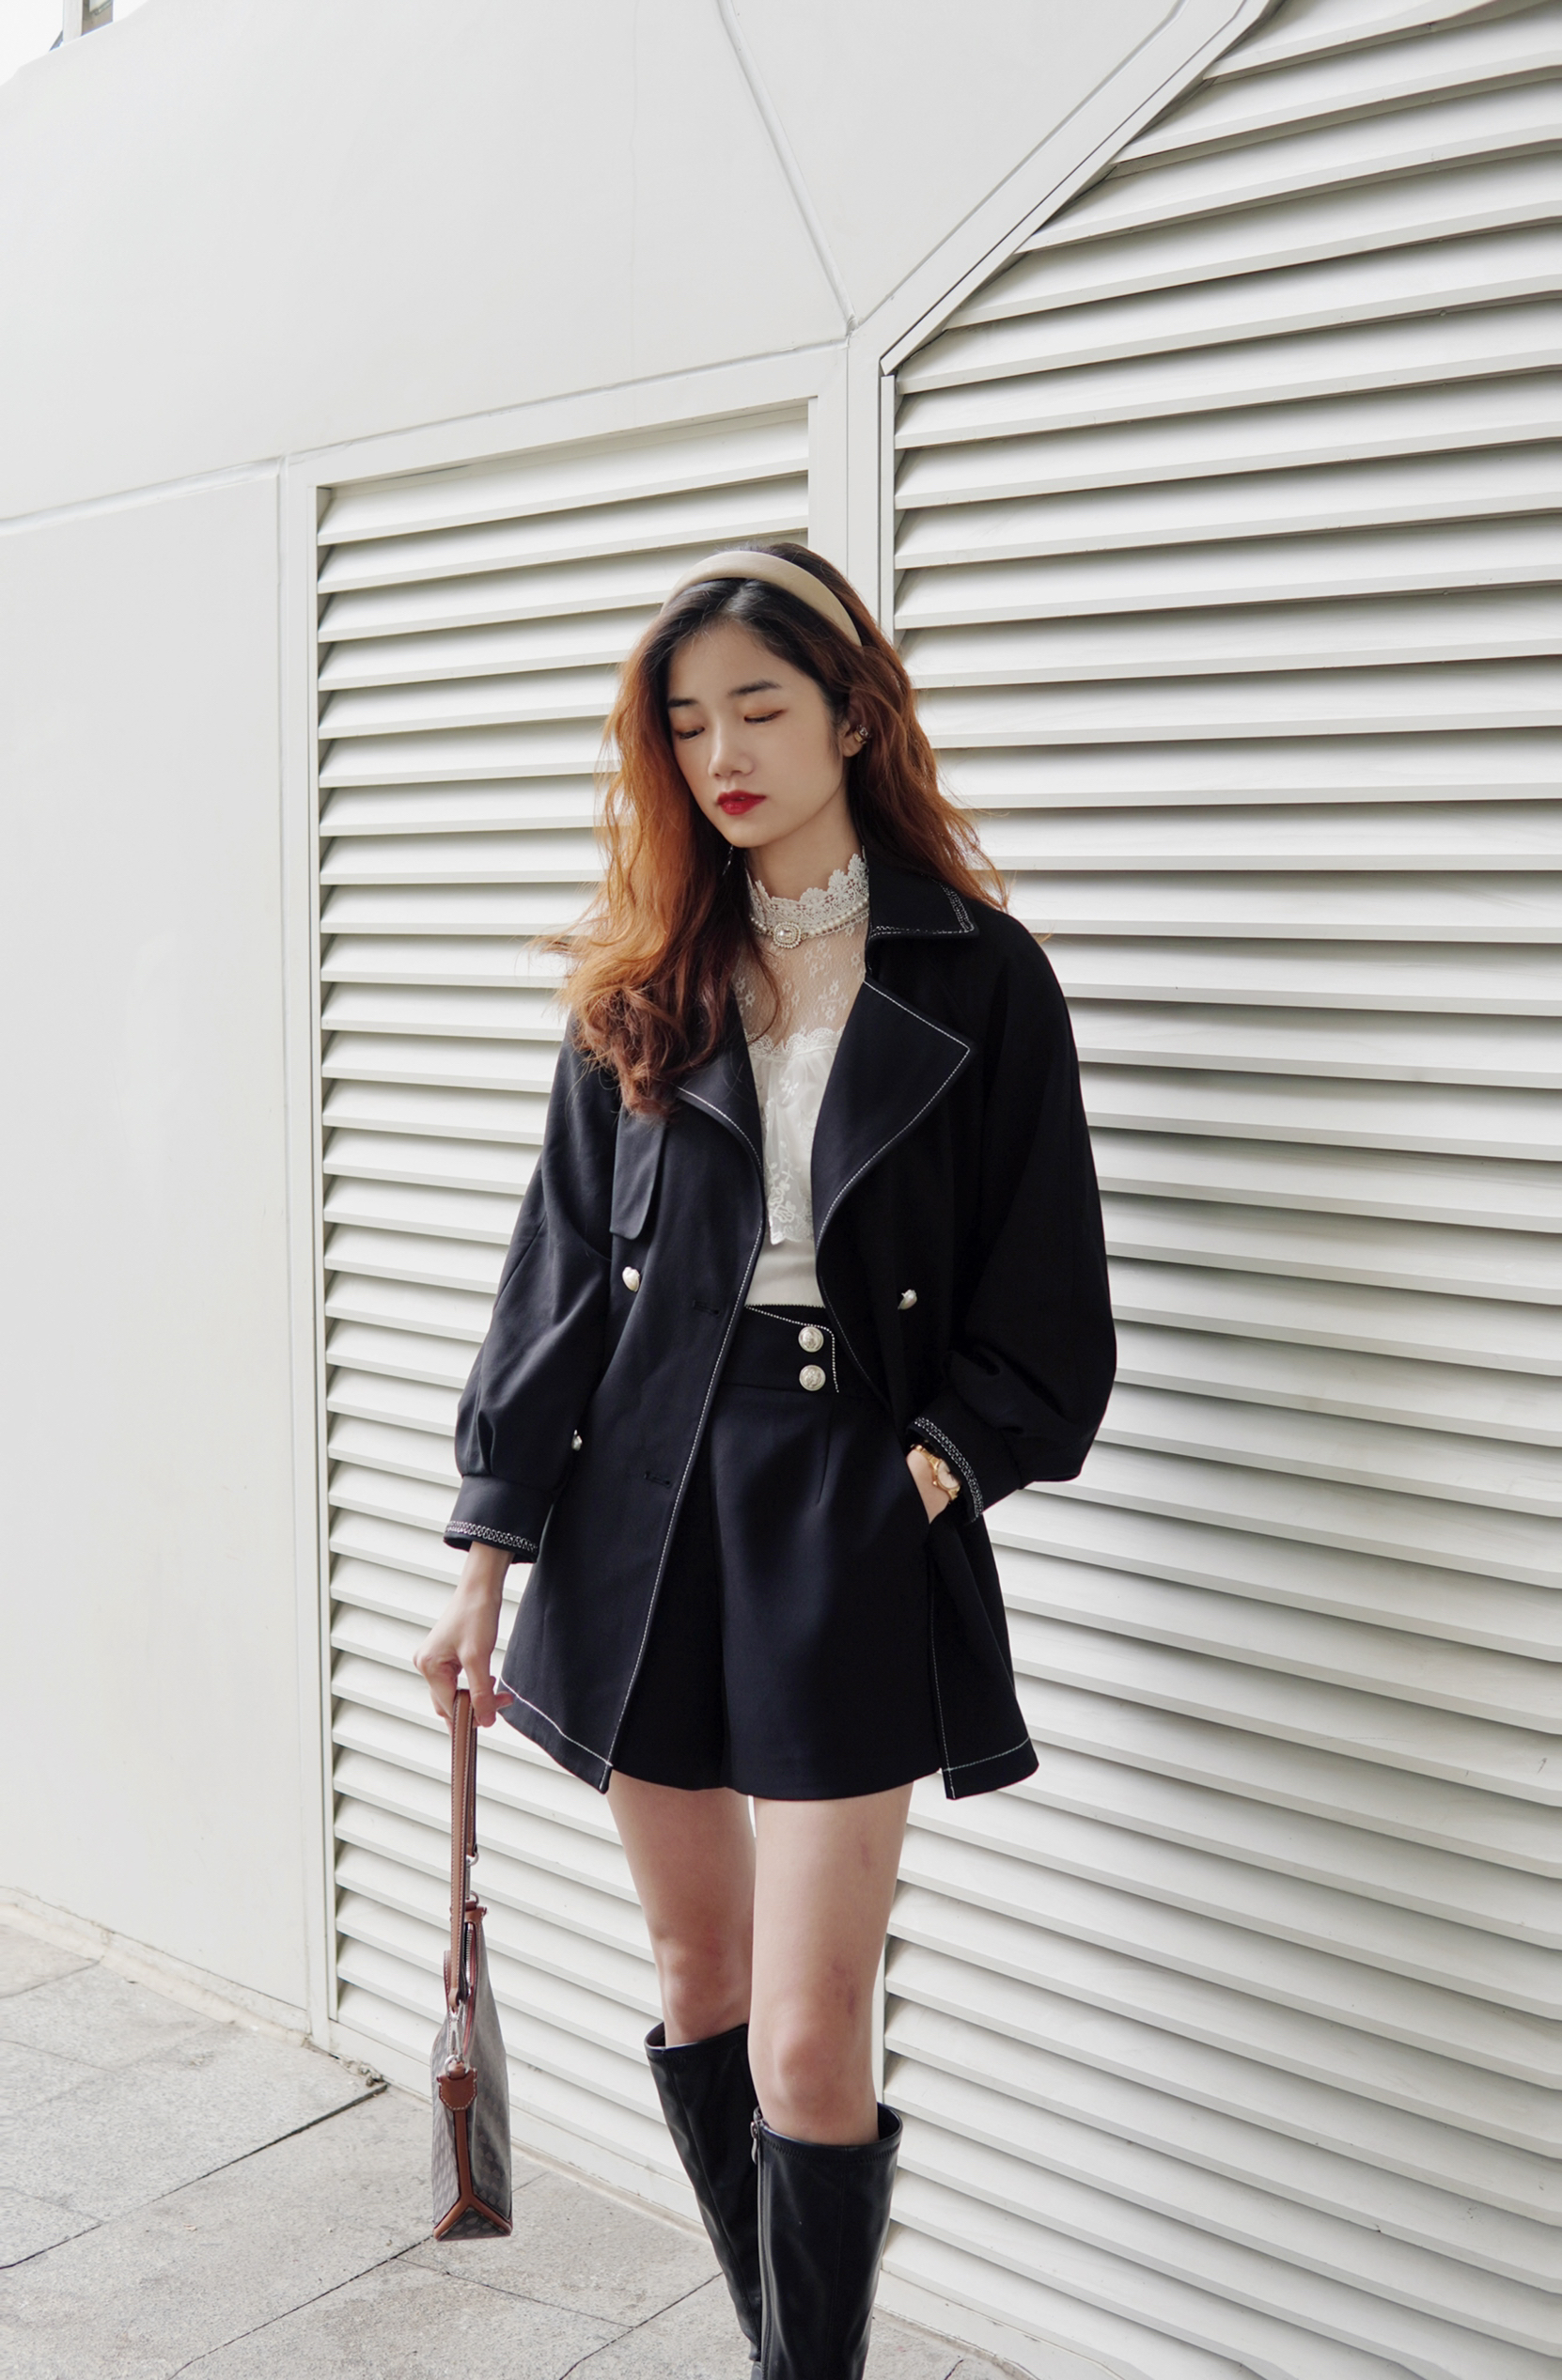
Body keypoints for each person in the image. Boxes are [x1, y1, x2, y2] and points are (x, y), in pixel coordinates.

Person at [414, 541, 1116, 2377]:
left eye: (759, 706)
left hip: (843, 1507)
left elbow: (1049, 1312)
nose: (721, 751)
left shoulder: (982, 977)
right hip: (638, 1514)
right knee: (699, 1985)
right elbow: (555, 1288)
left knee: (810, 2041)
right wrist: (486, 1563)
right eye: (685, 721)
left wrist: (923, 1479)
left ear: (852, 716)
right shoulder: (646, 978)